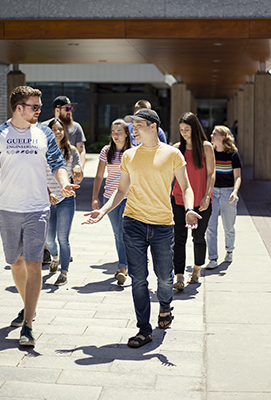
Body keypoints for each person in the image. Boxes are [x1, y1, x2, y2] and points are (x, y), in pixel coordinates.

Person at [83, 109, 201, 348]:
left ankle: (165, 307)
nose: (133, 130)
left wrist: (189, 208)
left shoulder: (172, 154)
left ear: (153, 126)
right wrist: (103, 210)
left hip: (162, 224)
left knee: (165, 279)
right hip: (133, 221)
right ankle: (144, 330)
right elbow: (121, 190)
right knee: (138, 279)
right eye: (132, 126)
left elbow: (186, 187)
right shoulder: (129, 156)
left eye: (138, 125)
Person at [0, 86, 79, 346]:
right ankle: (28, 307)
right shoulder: (0, 132)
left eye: (39, 106)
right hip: (8, 208)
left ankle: (28, 324)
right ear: (18, 108)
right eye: (34, 107)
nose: (38, 111)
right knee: (16, 262)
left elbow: (57, 163)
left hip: (37, 208)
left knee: (34, 264)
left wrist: (63, 183)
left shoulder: (44, 132)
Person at [171, 112, 215, 290]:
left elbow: (211, 173)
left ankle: (196, 270)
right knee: (179, 238)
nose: (183, 133)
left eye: (187, 129)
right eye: (181, 130)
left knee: (198, 238)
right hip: (179, 201)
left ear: (195, 129)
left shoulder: (206, 147)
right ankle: (179, 275)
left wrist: (207, 195)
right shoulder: (176, 149)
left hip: (202, 201)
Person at [91, 119, 131, 285]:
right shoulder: (106, 151)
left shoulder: (133, 152)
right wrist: (95, 196)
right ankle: (125, 264)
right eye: (113, 132)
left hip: (129, 197)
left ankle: (123, 267)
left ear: (126, 134)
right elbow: (99, 175)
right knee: (117, 233)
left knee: (124, 231)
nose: (115, 135)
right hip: (110, 198)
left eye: (119, 132)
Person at [46, 118, 83, 286]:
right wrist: (47, 194)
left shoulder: (72, 151)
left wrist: (78, 171)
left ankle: (64, 272)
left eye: (60, 129)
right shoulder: (42, 151)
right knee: (48, 239)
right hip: (48, 199)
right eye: (54, 129)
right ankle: (54, 257)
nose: (58, 132)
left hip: (66, 200)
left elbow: (79, 174)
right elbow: (37, 177)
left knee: (63, 238)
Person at [206, 125, 242, 269]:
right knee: (211, 227)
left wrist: (235, 191)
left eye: (215, 133)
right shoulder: (210, 153)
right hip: (213, 192)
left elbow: (238, 176)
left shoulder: (233, 154)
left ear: (223, 137)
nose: (211, 135)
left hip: (228, 193)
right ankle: (213, 258)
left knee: (229, 226)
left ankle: (229, 250)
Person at [43, 95, 86, 168]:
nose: (69, 111)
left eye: (70, 108)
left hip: (70, 172)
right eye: (67, 109)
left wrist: (80, 167)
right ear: (57, 110)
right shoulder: (44, 127)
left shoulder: (76, 127)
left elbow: (81, 150)